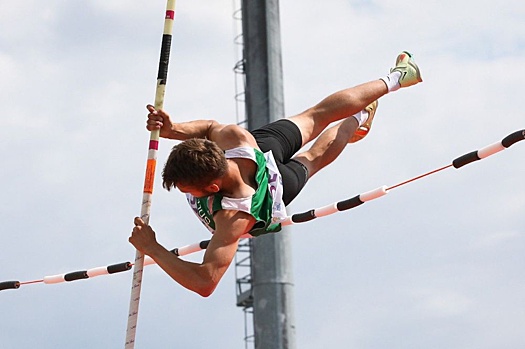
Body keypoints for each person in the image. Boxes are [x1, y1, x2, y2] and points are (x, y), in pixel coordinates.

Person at [129, 51, 422, 297]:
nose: (185, 193)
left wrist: (152, 247)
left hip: (273, 191)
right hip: (255, 152)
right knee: (315, 115)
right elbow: (208, 127)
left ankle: (358, 117)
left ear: (213, 187)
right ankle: (395, 79)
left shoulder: (233, 218)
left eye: (188, 190)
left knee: (313, 159)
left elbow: (205, 282)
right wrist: (173, 130)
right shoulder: (233, 138)